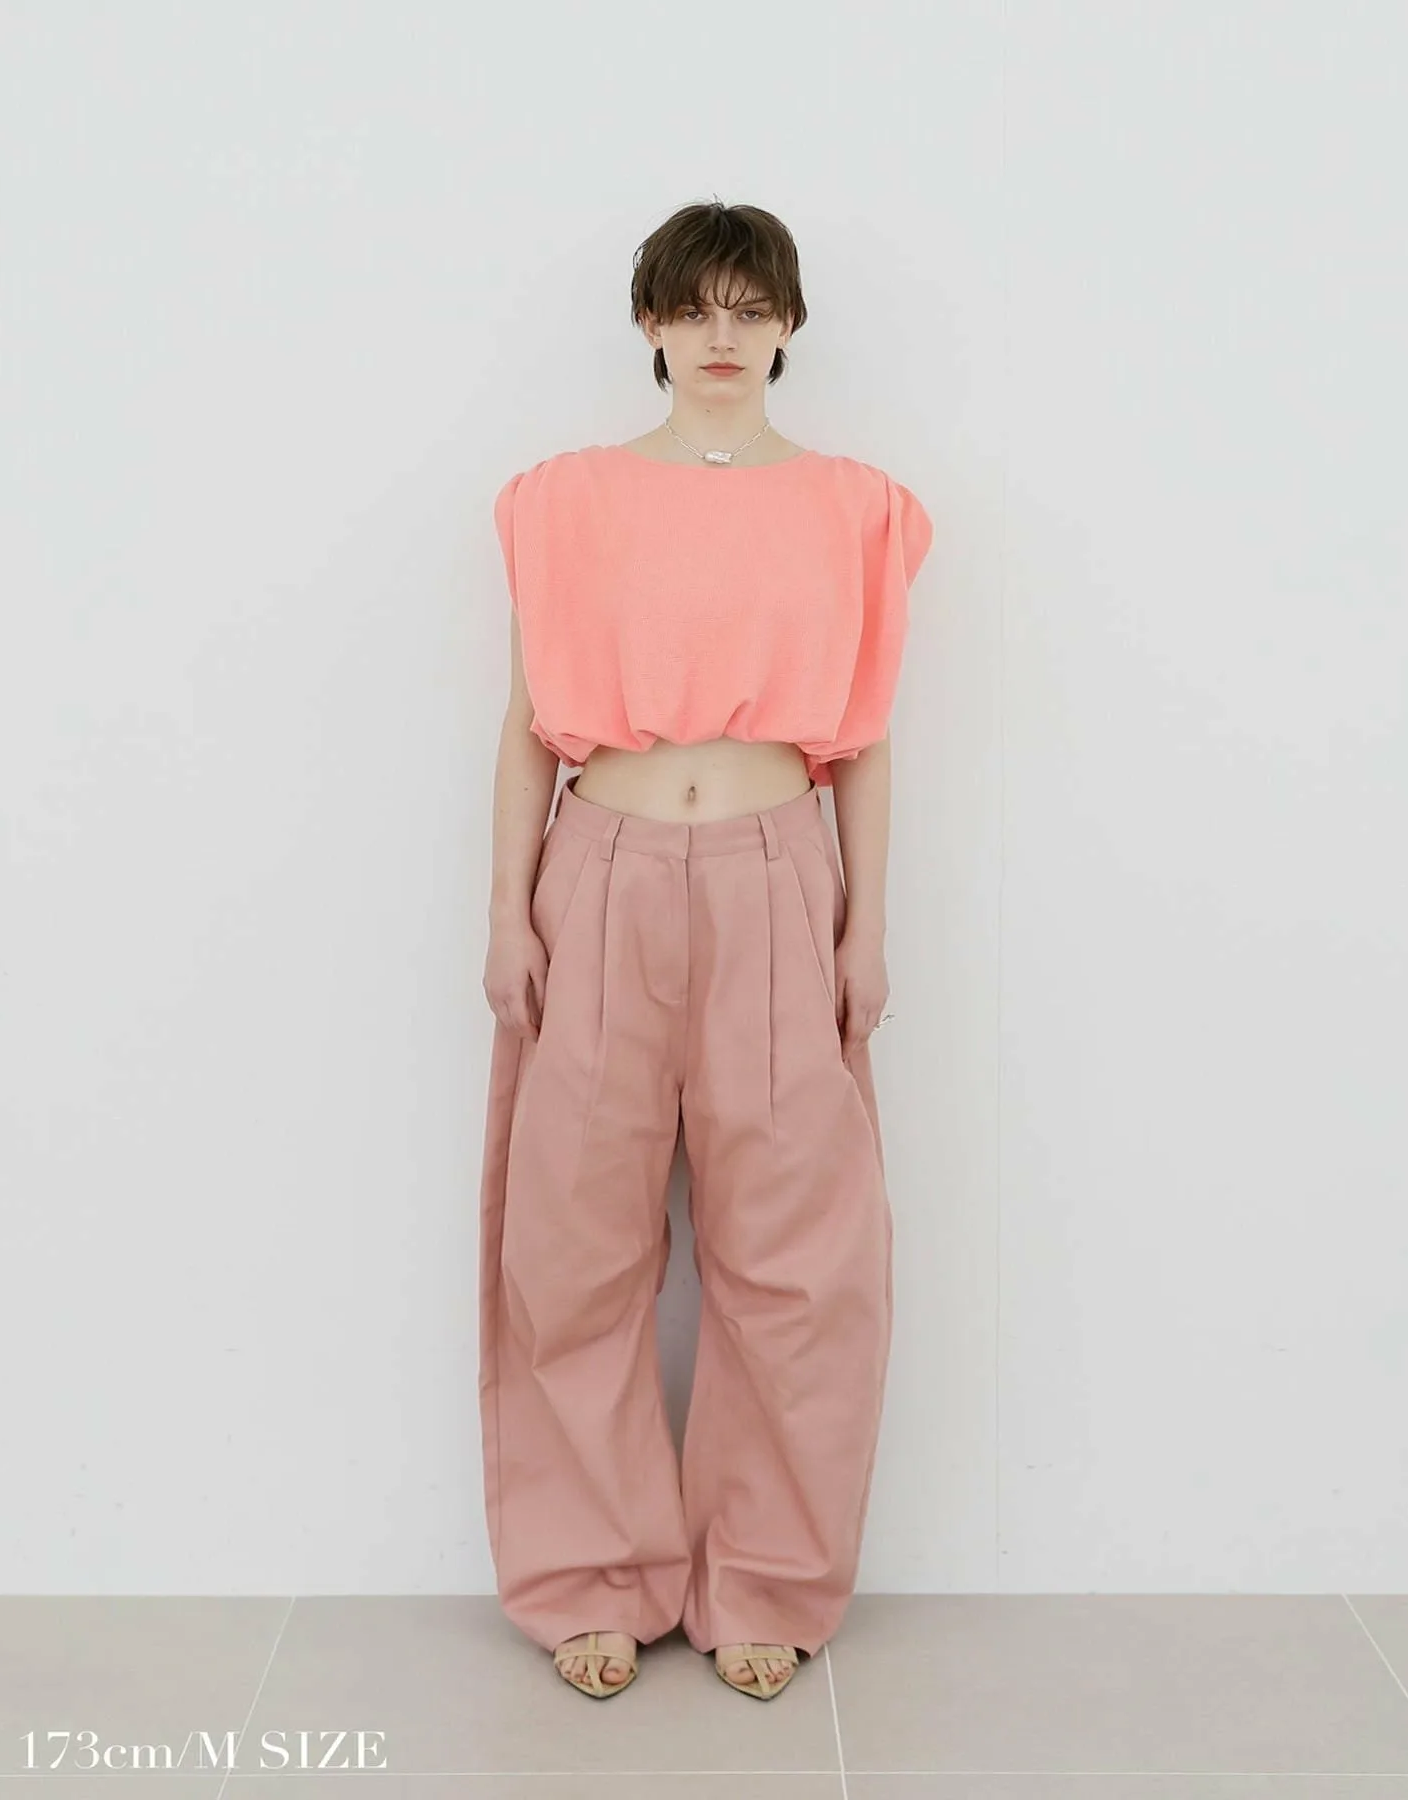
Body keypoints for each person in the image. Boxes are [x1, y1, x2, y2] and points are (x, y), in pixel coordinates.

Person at [477, 199, 934, 1702]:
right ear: (652, 324)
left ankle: (767, 1579)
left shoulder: (857, 510)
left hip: (775, 875)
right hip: (597, 871)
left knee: (800, 1257)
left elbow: (863, 739)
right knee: (571, 1244)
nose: (722, 335)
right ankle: (593, 1574)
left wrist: (868, 925)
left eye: (751, 307)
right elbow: (526, 721)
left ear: (790, 326)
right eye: (694, 308)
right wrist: (506, 911)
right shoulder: (566, 500)